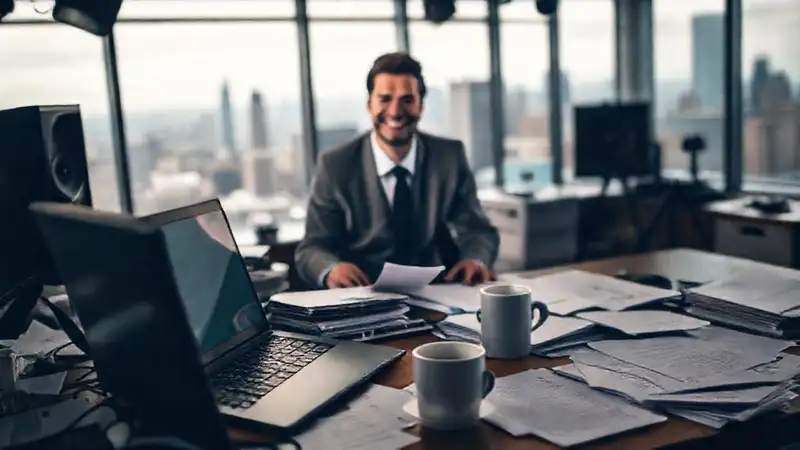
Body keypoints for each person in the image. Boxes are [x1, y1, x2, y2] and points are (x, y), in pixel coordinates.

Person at [295, 52, 499, 289]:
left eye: (407, 100)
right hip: (362, 294)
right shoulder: (335, 165)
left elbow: (478, 230)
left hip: (436, 291)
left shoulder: (449, 156)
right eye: (385, 99)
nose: (395, 111)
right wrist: (331, 269)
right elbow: (311, 248)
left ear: (421, 106)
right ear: (369, 105)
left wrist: (475, 259)